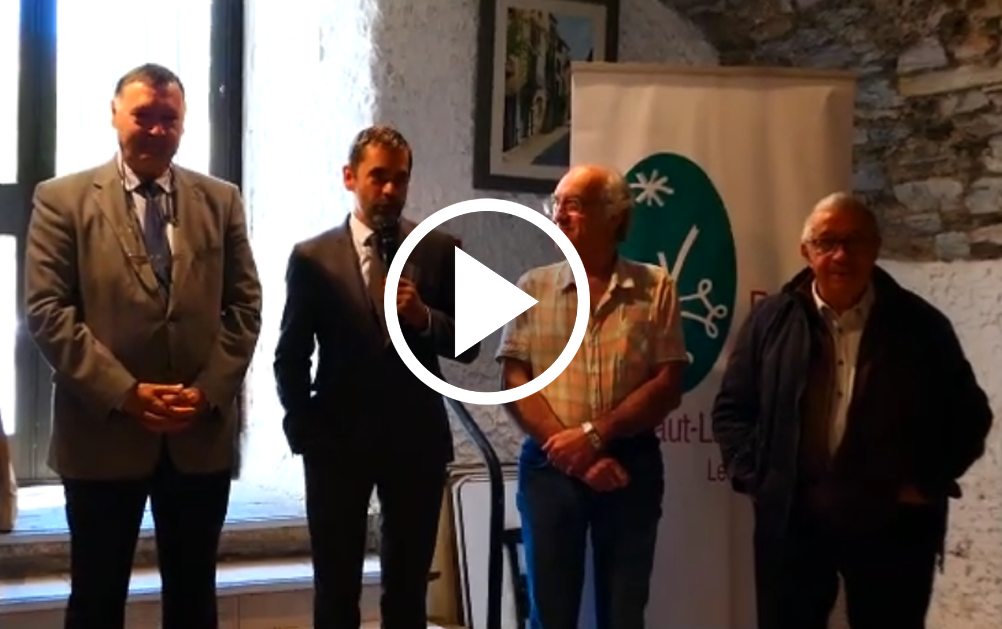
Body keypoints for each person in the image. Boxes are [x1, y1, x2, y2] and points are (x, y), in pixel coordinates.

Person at [23, 63, 263, 629]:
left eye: (169, 119)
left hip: (196, 434)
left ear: (183, 124)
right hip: (102, 433)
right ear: (114, 115)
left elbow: (245, 307)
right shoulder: (62, 200)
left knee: (193, 601)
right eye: (143, 117)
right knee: (97, 600)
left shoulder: (220, 200)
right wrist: (126, 393)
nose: (156, 130)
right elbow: (47, 311)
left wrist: (205, 394)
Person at [711, 192, 994, 629]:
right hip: (794, 523)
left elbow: (970, 416)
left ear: (875, 247)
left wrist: (927, 481)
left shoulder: (921, 326)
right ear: (806, 251)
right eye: (827, 242)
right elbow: (733, 408)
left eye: (854, 241)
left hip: (892, 526)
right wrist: (757, 477)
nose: (841, 254)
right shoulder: (772, 321)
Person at [273, 124, 480, 629]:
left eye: (400, 179)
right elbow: (290, 355)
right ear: (350, 177)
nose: (390, 190)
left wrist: (426, 319)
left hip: (416, 443)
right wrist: (304, 430)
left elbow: (473, 344)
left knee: (407, 590)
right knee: (336, 588)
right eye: (378, 177)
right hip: (336, 445)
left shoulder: (439, 247)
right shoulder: (312, 257)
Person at [496, 164, 688, 629]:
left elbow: (668, 383)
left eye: (575, 205)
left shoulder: (655, 288)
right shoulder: (531, 286)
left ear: (615, 216)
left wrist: (596, 436)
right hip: (550, 466)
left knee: (624, 614)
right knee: (550, 614)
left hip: (630, 467)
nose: (560, 215)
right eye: (556, 204)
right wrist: (578, 455)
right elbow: (513, 379)